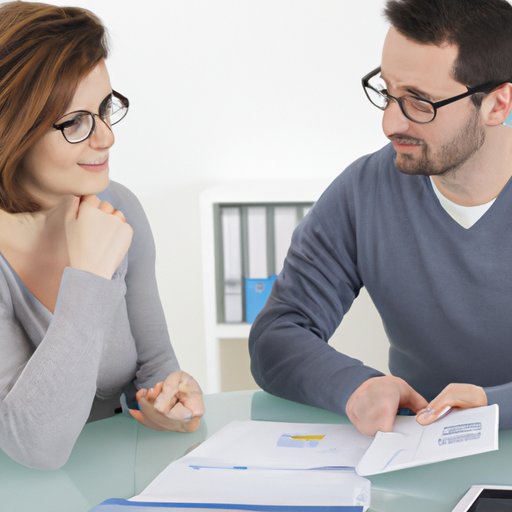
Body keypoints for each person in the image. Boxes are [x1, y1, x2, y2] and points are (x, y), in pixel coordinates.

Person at [249, 0, 512, 437]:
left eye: (419, 102)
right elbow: (276, 336)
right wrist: (358, 387)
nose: (390, 123)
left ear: (498, 105)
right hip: (417, 449)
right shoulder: (364, 190)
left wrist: (495, 405)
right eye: (387, 92)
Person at [0, 1, 203, 470]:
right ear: (12, 130)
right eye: (74, 121)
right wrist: (88, 277)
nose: (107, 137)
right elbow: (35, 448)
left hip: (106, 480)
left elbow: (153, 368)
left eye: (105, 109)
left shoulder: (118, 208)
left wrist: (170, 398)